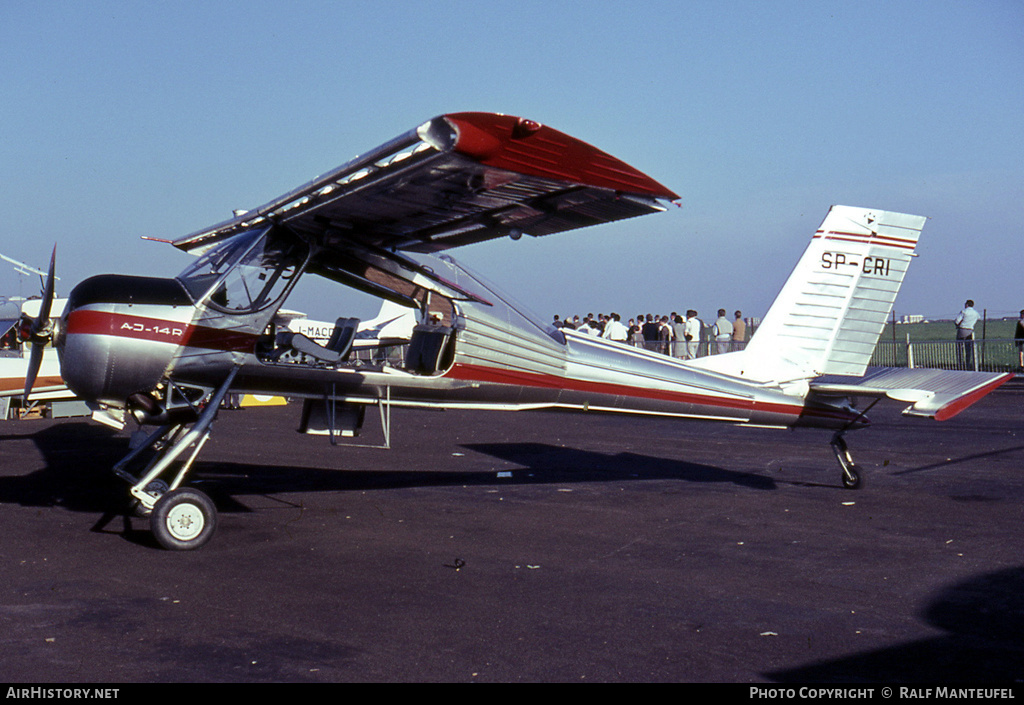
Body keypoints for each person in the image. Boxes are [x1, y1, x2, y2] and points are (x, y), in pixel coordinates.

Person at [954, 300, 980, 369]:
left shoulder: (964, 311)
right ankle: (968, 364)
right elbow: (978, 318)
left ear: (967, 305)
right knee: (968, 349)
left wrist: (958, 325)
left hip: (962, 330)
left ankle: (960, 365)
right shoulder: (976, 313)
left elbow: (957, 321)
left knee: (959, 348)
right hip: (970, 331)